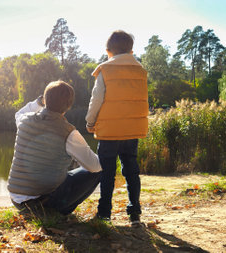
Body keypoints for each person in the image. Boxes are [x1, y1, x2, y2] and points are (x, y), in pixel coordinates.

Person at [8, 80, 102, 216]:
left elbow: (19, 113)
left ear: (45, 100)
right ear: (69, 106)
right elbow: (95, 166)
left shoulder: (24, 120)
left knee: (66, 174)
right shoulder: (69, 132)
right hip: (44, 204)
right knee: (99, 170)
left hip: (17, 201)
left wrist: (39, 102)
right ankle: (60, 212)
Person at [85, 30, 148, 226]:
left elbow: (97, 99)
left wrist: (90, 121)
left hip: (109, 132)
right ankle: (135, 213)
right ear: (130, 51)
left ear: (108, 52)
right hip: (131, 130)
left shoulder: (105, 70)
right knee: (131, 171)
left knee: (107, 173)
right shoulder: (140, 70)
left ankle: (104, 213)